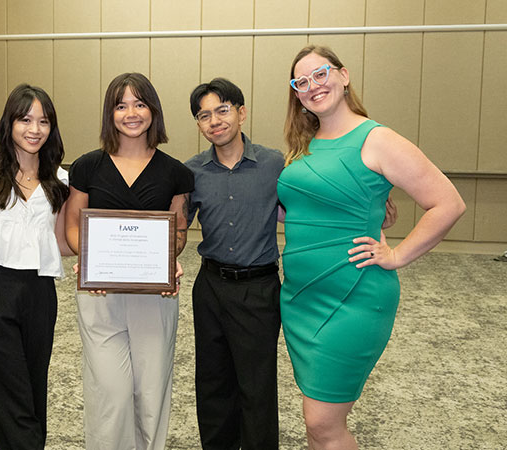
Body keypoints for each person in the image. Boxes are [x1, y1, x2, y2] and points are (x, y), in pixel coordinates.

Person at [277, 45, 466, 450]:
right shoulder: (304, 146)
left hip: (354, 297)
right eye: (301, 82)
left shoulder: (377, 139)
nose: (313, 86)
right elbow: (304, 210)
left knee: (323, 424)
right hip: (300, 299)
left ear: (343, 76)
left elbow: (448, 203)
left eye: (321, 74)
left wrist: (397, 255)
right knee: (316, 424)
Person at [64, 72, 194, 450]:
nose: (131, 113)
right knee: (111, 393)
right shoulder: (87, 167)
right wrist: (90, 261)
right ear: (110, 113)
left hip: (154, 295)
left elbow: (178, 231)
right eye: (121, 106)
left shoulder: (176, 173)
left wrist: (170, 260)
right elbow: (73, 225)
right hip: (100, 295)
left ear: (153, 110)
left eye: (139, 104)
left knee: (151, 392)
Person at [0, 84, 72, 449]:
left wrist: (111, 259)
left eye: (43, 121)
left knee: (32, 388)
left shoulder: (61, 180)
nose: (34, 129)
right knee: (6, 393)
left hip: (40, 292)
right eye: (25, 119)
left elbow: (62, 242)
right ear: (9, 123)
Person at [185, 78, 283, 450]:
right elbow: (171, 226)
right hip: (210, 287)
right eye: (204, 115)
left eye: (222, 110)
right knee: (213, 382)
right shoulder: (192, 172)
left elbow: (310, 207)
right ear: (198, 124)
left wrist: (371, 213)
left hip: (258, 288)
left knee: (257, 386)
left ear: (241, 113)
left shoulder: (275, 164)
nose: (215, 121)